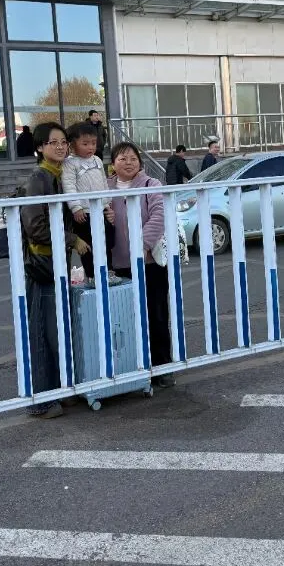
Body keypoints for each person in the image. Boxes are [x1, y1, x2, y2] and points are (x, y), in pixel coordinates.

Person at [20, 122, 86, 419]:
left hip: (57, 263)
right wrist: (72, 239)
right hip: (42, 265)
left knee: (58, 329)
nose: (61, 147)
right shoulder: (39, 177)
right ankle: (41, 401)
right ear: (39, 147)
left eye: (63, 142)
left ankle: (61, 389)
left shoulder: (60, 175)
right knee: (42, 332)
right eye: (53, 142)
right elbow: (35, 227)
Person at [108, 141, 175, 388]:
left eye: (133, 158)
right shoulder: (104, 188)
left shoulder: (151, 184)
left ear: (140, 162)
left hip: (149, 263)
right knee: (125, 318)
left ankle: (162, 367)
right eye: (122, 158)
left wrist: (142, 245)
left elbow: (159, 215)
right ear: (112, 164)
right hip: (119, 265)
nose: (128, 163)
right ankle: (132, 368)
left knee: (156, 314)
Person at [62, 122, 116, 280]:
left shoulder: (97, 160)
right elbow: (69, 186)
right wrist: (76, 207)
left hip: (101, 209)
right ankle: (92, 275)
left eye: (93, 143)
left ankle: (108, 270)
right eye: (85, 144)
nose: (90, 147)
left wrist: (107, 203)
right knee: (88, 245)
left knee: (107, 240)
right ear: (72, 145)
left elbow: (104, 182)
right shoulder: (70, 163)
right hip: (84, 213)